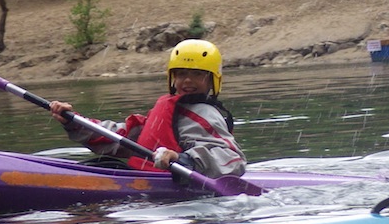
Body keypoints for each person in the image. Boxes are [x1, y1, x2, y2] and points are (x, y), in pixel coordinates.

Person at [50, 39, 246, 178]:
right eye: (181, 74)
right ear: (172, 78)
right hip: (149, 181)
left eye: (197, 74)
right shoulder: (169, 110)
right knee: (101, 165)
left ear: (212, 81)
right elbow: (122, 138)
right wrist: (74, 121)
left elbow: (233, 159)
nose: (187, 80)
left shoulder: (206, 114)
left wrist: (182, 159)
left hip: (180, 192)